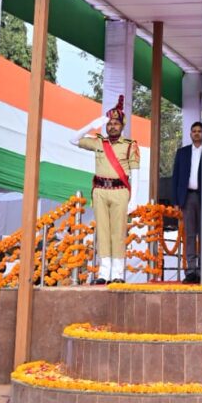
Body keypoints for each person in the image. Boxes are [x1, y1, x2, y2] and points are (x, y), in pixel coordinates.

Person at [70, 96, 140, 284]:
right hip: (100, 190)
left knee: (118, 233)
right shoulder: (99, 142)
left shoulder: (130, 145)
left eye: (116, 123)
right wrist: (92, 125)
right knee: (102, 232)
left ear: (122, 126)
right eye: (109, 123)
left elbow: (135, 172)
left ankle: (117, 274)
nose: (112, 126)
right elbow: (73, 139)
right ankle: (103, 273)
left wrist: (134, 199)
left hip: (120, 191)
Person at [171, 121, 202, 284]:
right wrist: (176, 201)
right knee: (190, 235)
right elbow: (175, 177)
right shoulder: (182, 152)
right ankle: (191, 270)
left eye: (199, 131)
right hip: (188, 197)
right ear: (190, 134)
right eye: (194, 131)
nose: (197, 133)